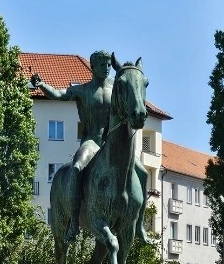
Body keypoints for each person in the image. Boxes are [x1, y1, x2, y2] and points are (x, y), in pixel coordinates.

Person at [30, 51, 150, 244]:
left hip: (110, 143)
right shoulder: (83, 90)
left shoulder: (116, 88)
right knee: (77, 168)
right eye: (101, 65)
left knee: (143, 173)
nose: (106, 68)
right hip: (91, 142)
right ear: (93, 67)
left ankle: (139, 225)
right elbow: (60, 95)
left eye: (108, 65)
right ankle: (74, 223)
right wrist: (42, 85)